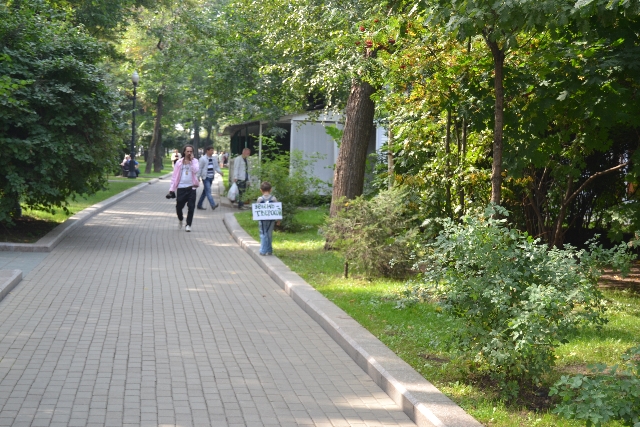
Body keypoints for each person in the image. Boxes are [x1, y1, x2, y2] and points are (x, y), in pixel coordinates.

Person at [167, 145, 199, 232]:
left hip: (191, 188)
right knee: (179, 207)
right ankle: (180, 219)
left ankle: (188, 225)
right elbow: (174, 176)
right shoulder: (179, 162)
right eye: (187, 151)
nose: (189, 153)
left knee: (191, 207)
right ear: (184, 152)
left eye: (191, 151)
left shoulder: (195, 161)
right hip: (181, 188)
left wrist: (191, 162)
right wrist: (172, 189)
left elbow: (196, 170)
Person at [197, 146, 223, 211]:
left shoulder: (214, 158)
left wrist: (220, 172)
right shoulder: (202, 159)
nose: (212, 151)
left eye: (212, 150)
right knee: (208, 191)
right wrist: (198, 177)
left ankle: (199, 205)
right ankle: (213, 205)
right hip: (205, 177)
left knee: (205, 192)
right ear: (207, 151)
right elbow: (199, 168)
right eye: (211, 150)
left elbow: (216, 167)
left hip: (211, 177)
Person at [257, 181, 278, 256]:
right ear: (270, 189)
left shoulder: (260, 199)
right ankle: (269, 250)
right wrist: (278, 220)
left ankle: (263, 250)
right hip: (271, 220)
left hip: (262, 220)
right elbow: (277, 210)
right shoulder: (274, 199)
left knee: (263, 233)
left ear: (261, 190)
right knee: (269, 234)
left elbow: (257, 210)